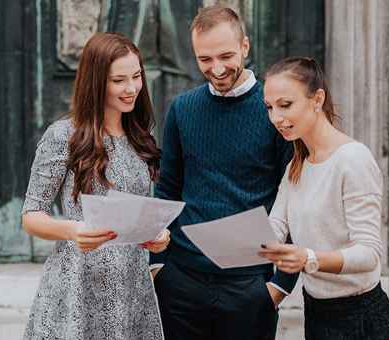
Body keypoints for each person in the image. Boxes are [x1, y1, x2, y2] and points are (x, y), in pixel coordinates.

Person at [151, 5, 299, 340]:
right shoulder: (182, 109)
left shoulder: (274, 110)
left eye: (226, 56)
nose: (216, 69)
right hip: (181, 281)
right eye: (205, 59)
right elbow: (168, 188)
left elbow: (295, 200)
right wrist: (157, 265)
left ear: (245, 47)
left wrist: (279, 286)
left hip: (250, 283)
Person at [21, 32, 169, 340]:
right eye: (119, 80)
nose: (131, 89)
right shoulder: (64, 135)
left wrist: (156, 233)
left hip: (131, 287)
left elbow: (135, 213)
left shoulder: (140, 138)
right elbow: (31, 215)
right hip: (77, 285)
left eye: (137, 76)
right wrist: (73, 230)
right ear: (96, 81)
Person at [258, 56, 389, 340]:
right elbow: (275, 227)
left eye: (285, 105)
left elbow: (369, 254)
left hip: (361, 319)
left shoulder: (353, 160)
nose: (276, 118)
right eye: (270, 108)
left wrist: (308, 258)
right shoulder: (297, 164)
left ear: (317, 98)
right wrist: (222, 242)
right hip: (317, 313)